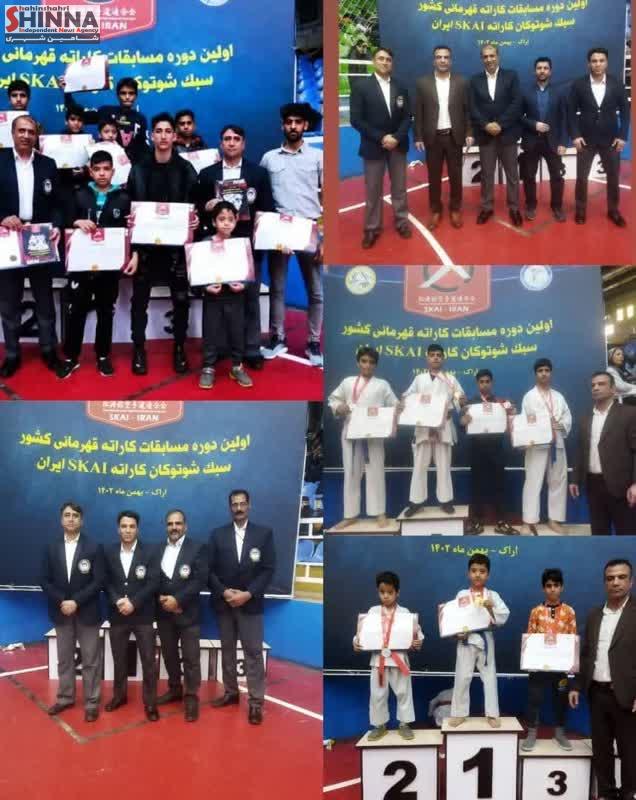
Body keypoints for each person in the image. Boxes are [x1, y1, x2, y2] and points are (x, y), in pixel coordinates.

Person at [197, 123, 275, 369]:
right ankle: (221, 348)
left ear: (244, 144)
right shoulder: (207, 174)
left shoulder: (258, 173)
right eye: (227, 138)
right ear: (221, 143)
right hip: (217, 245)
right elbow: (196, 207)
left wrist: (265, 242)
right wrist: (206, 206)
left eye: (236, 139)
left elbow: (267, 210)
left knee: (250, 298)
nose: (231, 142)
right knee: (219, 299)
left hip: (248, 245)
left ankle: (251, 349)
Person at [126, 112, 199, 375]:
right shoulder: (139, 169)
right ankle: (138, 348)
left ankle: (179, 348)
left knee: (181, 301)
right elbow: (130, 204)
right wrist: (132, 237)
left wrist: (195, 219)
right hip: (145, 248)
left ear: (175, 136)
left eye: (168, 131)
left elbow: (196, 205)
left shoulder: (186, 169)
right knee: (139, 302)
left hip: (176, 250)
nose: (164, 136)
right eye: (159, 131)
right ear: (151, 135)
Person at [57, 150, 137, 379]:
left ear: (113, 171)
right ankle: (71, 357)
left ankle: (103, 355)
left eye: (106, 169)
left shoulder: (124, 198)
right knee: (76, 311)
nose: (102, 173)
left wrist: (134, 254)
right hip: (81, 264)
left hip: (109, 265)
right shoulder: (79, 193)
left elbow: (132, 230)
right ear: (90, 171)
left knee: (105, 310)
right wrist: (76, 221)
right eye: (97, 169)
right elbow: (63, 220)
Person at [260, 102, 324, 367]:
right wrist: (271, 233)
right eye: (289, 122)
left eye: (298, 122)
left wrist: (326, 239)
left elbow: (328, 196)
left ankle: (313, 342)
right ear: (283, 126)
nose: (293, 126)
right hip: (279, 230)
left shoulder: (318, 157)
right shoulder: (269, 158)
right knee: (277, 288)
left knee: (316, 291)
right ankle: (277, 337)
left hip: (309, 228)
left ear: (305, 125)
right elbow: (263, 198)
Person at [0, 114, 62, 377]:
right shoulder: (0, 161)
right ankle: (12, 354)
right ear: (12, 134)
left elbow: (58, 202)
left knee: (44, 299)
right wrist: (2, 217)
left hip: (39, 238)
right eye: (21, 131)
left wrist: (57, 225)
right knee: (9, 301)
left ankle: (49, 350)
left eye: (31, 132)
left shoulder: (48, 164)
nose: (26, 135)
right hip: (9, 237)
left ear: (37, 136)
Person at [569, 559, 636, 800]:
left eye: (621, 577)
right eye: (610, 578)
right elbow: (587, 653)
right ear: (604, 582)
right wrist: (576, 686)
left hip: (627, 696)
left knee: (630, 753)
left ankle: (629, 794)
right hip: (597, 693)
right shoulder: (595, 615)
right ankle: (607, 794)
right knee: (601, 750)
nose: (615, 582)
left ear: (631, 581)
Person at [208, 490, 275, 725]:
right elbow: (209, 570)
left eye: (242, 504)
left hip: (250, 603)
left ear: (249, 505)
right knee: (227, 650)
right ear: (230, 507)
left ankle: (256, 703)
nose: (238, 508)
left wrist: (248, 594)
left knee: (253, 653)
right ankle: (231, 693)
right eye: (234, 504)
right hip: (225, 603)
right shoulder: (217, 535)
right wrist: (225, 592)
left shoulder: (264, 534)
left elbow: (268, 569)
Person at [40, 502, 104, 722]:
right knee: (65, 659)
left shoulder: (94, 547)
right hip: (61, 612)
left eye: (75, 515)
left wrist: (76, 601)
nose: (70, 519)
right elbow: (44, 580)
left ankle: (92, 702)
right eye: (67, 515)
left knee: (91, 660)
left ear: (81, 520)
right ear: (61, 520)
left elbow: (98, 581)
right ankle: (65, 698)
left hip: (87, 612)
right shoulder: (51, 548)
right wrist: (63, 601)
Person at [328, 345, 398, 529]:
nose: (367, 365)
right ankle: (350, 515)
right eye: (364, 361)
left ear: (375, 365)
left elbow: (394, 404)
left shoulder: (382, 384)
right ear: (358, 363)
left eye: (371, 362)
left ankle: (380, 513)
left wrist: (400, 408)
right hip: (351, 433)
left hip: (374, 434)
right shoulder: (347, 382)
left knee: (377, 471)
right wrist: (339, 407)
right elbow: (333, 399)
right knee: (351, 472)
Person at [349, 47, 411, 248]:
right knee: (373, 190)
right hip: (373, 145)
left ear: (392, 63)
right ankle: (372, 228)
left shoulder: (401, 87)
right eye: (381, 59)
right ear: (374, 61)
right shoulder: (361, 87)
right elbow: (356, 119)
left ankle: (401, 222)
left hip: (397, 146)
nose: (385, 62)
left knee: (399, 188)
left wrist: (396, 138)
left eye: (388, 59)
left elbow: (407, 117)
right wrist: (382, 137)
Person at [103, 510, 159, 722]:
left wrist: (133, 603)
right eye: (124, 526)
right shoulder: (108, 552)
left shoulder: (150, 551)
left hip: (143, 615)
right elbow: (105, 581)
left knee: (148, 661)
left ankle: (150, 703)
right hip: (118, 614)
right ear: (118, 529)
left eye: (131, 526)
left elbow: (153, 582)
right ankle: (119, 696)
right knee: (119, 659)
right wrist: (118, 600)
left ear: (137, 529)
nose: (127, 530)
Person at [353, 570, 423, 740]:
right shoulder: (373, 612)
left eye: (390, 592)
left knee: (403, 692)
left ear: (397, 592)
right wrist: (356, 642)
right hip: (379, 661)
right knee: (377, 694)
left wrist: (418, 642)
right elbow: (361, 634)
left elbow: (417, 635)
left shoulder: (405, 613)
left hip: (399, 660)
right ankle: (379, 725)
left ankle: (404, 724)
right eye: (382, 592)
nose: (385, 596)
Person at [402, 343, 467, 517]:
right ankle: (416, 502)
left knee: (444, 465)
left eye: (439, 355)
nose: (436, 357)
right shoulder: (419, 379)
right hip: (423, 427)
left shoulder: (450, 379)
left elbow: (459, 398)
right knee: (419, 465)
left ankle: (446, 501)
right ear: (427, 358)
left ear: (443, 358)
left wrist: (460, 401)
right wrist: (405, 401)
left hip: (443, 426)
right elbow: (408, 396)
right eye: (432, 355)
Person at [567, 47, 629, 227]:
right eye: (594, 61)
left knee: (613, 177)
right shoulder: (578, 84)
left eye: (601, 60)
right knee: (581, 177)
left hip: (611, 140)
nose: (598, 64)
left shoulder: (617, 84)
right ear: (589, 64)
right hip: (585, 140)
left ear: (606, 63)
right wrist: (575, 135)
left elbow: (625, 112)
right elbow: (570, 112)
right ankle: (580, 210)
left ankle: (613, 210)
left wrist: (622, 136)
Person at [414, 44, 473, 230]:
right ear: (434, 60)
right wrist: (418, 136)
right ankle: (436, 210)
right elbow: (418, 112)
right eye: (439, 57)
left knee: (456, 177)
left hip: (454, 136)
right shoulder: (422, 83)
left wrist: (469, 133)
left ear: (450, 60)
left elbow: (467, 110)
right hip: (433, 138)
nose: (442, 60)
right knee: (434, 177)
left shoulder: (461, 82)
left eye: (446, 57)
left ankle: (455, 209)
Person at [569, 371, 636, 534]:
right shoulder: (585, 418)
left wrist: (635, 484)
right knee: (599, 533)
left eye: (601, 384)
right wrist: (575, 479)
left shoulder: (629, 414)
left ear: (613, 389)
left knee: (626, 534)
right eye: (593, 385)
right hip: (593, 485)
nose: (596, 388)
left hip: (622, 487)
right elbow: (580, 450)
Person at [449, 553, 509, 727]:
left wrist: (491, 608)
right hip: (466, 639)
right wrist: (457, 633)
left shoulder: (493, 595)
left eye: (482, 571)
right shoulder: (462, 594)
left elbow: (503, 617)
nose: (477, 574)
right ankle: (459, 713)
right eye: (474, 570)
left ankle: (492, 714)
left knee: (489, 677)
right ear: (468, 573)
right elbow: (454, 617)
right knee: (462, 676)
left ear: (488, 575)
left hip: (485, 638)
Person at [197, 201, 252, 389]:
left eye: (230, 219)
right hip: (213, 296)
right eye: (221, 219)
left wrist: (243, 285)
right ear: (214, 222)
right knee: (211, 332)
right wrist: (206, 287)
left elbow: (248, 271)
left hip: (236, 296)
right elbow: (198, 271)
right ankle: (208, 368)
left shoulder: (240, 244)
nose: (226, 223)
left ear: (236, 221)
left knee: (237, 332)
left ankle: (237, 366)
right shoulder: (205, 243)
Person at [156, 509, 205, 722]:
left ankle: (191, 696)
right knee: (169, 654)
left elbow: (199, 580)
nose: (174, 527)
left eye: (178, 523)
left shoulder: (198, 548)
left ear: (185, 526)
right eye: (170, 524)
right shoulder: (158, 549)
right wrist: (161, 599)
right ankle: (175, 689)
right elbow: (153, 578)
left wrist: (177, 601)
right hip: (164, 614)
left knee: (191, 658)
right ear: (166, 526)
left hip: (188, 613)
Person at [521, 568, 577, 751]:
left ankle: (560, 733)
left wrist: (571, 664)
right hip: (539, 666)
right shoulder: (536, 611)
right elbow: (530, 638)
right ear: (543, 588)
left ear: (562, 587)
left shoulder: (569, 612)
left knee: (560, 700)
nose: (552, 589)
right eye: (548, 585)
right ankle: (531, 733)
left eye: (556, 585)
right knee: (534, 699)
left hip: (560, 667)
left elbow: (572, 639)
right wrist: (529, 661)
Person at [469, 43, 523, 227]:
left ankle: (514, 208)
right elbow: (473, 107)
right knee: (486, 174)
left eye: (492, 56)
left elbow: (516, 103)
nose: (489, 59)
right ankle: (487, 207)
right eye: (485, 56)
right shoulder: (474, 80)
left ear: (498, 57)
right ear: (481, 59)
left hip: (507, 134)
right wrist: (486, 125)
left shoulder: (511, 76)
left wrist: (500, 124)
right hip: (485, 136)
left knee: (512, 174)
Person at [459, 369, 519, 534]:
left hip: (496, 450)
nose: (484, 384)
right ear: (477, 384)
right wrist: (463, 421)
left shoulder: (500, 403)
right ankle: (477, 522)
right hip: (477, 451)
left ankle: (501, 522)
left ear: (491, 383)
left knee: (499, 487)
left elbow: (511, 420)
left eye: (487, 381)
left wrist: (512, 412)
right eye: (481, 382)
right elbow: (462, 427)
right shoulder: (470, 403)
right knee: (477, 487)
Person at [520, 358, 572, 534]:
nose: (544, 373)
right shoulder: (529, 396)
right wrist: (540, 427)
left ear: (551, 373)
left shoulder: (558, 397)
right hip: (536, 445)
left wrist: (560, 424)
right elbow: (526, 421)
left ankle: (554, 519)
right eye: (540, 370)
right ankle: (528, 521)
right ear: (536, 374)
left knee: (558, 481)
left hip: (557, 443)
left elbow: (567, 417)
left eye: (547, 370)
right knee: (532, 481)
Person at [520, 57, 567, 222]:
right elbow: (518, 116)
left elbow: (564, 118)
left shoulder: (560, 92)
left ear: (550, 71)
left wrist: (563, 142)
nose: (542, 71)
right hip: (531, 140)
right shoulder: (525, 92)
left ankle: (557, 206)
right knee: (528, 176)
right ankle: (531, 205)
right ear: (535, 71)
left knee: (557, 176)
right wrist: (534, 124)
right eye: (539, 68)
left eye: (545, 68)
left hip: (553, 142)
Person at [60, 75, 148, 163]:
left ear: (136, 95)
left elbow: (142, 147)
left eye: (131, 93)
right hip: (105, 164)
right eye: (123, 93)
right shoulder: (106, 111)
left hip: (131, 165)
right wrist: (67, 92)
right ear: (118, 95)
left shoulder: (140, 118)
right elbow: (78, 114)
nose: (127, 97)